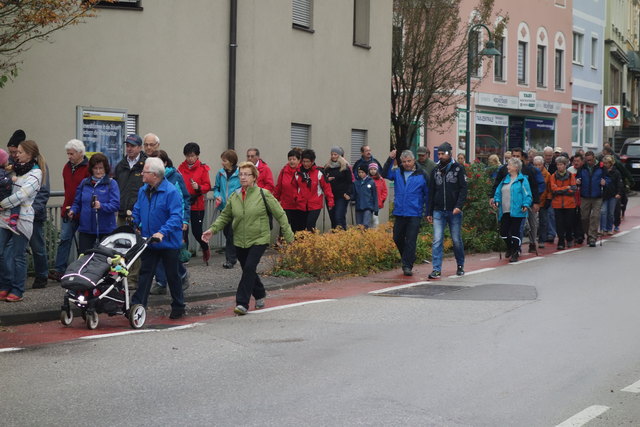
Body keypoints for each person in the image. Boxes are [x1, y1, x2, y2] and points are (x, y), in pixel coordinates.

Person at [202, 161, 294, 315]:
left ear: (254, 177)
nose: (243, 177)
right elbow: (225, 216)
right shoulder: (235, 195)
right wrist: (213, 229)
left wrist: (288, 236)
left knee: (250, 267)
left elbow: (280, 214)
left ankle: (242, 303)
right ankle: (259, 293)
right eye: (241, 175)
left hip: (259, 238)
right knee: (248, 270)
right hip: (239, 239)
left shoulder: (264, 194)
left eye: (246, 174)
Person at [131, 157, 186, 320]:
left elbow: (176, 216)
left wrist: (162, 232)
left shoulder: (171, 192)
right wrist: (133, 221)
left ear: (155, 175)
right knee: (145, 273)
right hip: (149, 241)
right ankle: (138, 304)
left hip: (168, 242)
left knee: (172, 275)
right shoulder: (143, 190)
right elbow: (138, 208)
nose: (142, 173)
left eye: (145, 171)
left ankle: (178, 305)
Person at [0, 140, 45, 302]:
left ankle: (17, 290)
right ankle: (4, 286)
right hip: (5, 217)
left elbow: (22, 195)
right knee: (2, 254)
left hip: (22, 219)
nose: (16, 155)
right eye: (16, 152)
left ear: (30, 154)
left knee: (18, 256)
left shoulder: (36, 173)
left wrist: (2, 204)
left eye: (19, 152)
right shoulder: (14, 170)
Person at [148, 150, 191, 295]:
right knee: (157, 252)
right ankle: (161, 282)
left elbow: (184, 199)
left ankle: (182, 275)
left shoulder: (175, 177)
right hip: (156, 222)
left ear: (165, 163)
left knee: (171, 254)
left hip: (172, 222)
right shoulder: (149, 181)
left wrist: (184, 219)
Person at [381, 149, 429, 276]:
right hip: (400, 212)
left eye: (409, 161)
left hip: (414, 212)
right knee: (397, 237)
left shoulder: (422, 174)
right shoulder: (397, 172)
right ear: (401, 162)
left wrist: (428, 211)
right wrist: (390, 159)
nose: (407, 164)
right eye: (404, 161)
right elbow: (384, 173)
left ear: (414, 160)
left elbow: (428, 194)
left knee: (411, 240)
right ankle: (407, 257)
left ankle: (407, 265)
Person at [50, 139, 89, 282]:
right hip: (68, 209)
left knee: (84, 241)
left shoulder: (87, 168)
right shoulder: (67, 167)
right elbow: (68, 189)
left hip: (83, 211)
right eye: (68, 154)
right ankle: (59, 269)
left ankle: (83, 269)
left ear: (80, 153)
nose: (69, 156)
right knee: (65, 238)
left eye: (71, 154)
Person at [427, 142, 467, 278]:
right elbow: (431, 191)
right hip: (438, 210)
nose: (440, 156)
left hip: (454, 210)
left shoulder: (458, 169)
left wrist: (459, 206)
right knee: (437, 240)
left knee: (456, 239)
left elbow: (463, 189)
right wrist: (429, 211)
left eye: (442, 153)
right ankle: (436, 269)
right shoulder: (435, 170)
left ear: (449, 153)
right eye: (438, 154)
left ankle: (460, 265)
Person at [69, 153, 120, 254]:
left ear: (105, 168)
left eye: (101, 168)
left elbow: (116, 205)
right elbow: (77, 202)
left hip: (106, 230)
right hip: (86, 229)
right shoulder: (84, 183)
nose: (98, 171)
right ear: (91, 169)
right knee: (84, 258)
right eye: (95, 168)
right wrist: (73, 210)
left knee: (104, 260)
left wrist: (101, 206)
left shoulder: (111, 183)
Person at [492, 157, 532, 263]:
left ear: (516, 167)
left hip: (518, 211)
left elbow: (527, 195)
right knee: (503, 232)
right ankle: (510, 247)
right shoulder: (505, 179)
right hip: (505, 210)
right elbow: (498, 192)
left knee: (515, 233)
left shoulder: (522, 180)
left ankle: (515, 252)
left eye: (509, 165)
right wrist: (496, 200)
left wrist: (526, 204)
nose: (507, 167)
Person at [178, 142, 212, 264]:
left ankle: (205, 248)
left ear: (197, 155)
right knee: (183, 231)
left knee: (197, 232)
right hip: (185, 204)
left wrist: (198, 187)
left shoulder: (203, 168)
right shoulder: (181, 168)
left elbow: (208, 186)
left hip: (197, 204)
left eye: (192, 155)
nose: (190, 158)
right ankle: (184, 256)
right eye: (187, 156)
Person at [212, 149, 240, 269]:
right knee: (226, 232)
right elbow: (216, 188)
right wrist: (217, 196)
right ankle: (236, 254)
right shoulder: (220, 173)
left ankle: (230, 260)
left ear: (232, 161)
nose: (222, 163)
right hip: (224, 208)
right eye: (222, 160)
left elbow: (243, 189)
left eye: (225, 161)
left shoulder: (240, 173)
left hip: (236, 208)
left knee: (231, 234)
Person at [294, 149, 334, 231]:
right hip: (301, 203)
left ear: (312, 161)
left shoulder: (319, 173)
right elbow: (294, 188)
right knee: (301, 228)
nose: (305, 164)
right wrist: (296, 198)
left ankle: (311, 243)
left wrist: (330, 201)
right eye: (304, 161)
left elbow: (327, 188)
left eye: (308, 161)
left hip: (315, 204)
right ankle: (301, 244)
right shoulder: (298, 173)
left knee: (310, 225)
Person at [576, 151, 608, 247]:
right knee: (584, 217)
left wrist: (605, 182)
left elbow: (607, 178)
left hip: (597, 196)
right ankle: (589, 235)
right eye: (587, 160)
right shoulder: (582, 167)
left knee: (595, 216)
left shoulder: (601, 167)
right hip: (585, 196)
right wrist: (577, 181)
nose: (588, 162)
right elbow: (578, 178)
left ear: (594, 158)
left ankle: (592, 237)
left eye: (590, 160)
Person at [114, 134, 147, 226]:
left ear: (140, 147)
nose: (129, 148)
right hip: (122, 212)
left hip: (139, 213)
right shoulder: (120, 165)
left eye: (132, 146)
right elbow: (115, 187)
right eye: (127, 146)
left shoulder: (146, 165)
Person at [549, 156, 577, 250]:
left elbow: (573, 189)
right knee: (559, 224)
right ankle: (561, 241)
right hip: (557, 204)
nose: (559, 166)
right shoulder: (553, 176)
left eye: (561, 164)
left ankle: (569, 238)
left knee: (569, 223)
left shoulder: (570, 175)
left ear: (565, 165)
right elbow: (553, 190)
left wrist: (560, 189)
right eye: (558, 165)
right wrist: (566, 188)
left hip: (569, 204)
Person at [274, 149, 303, 232]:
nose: (292, 161)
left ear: (298, 160)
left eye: (294, 159)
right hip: (286, 204)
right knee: (284, 227)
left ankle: (296, 245)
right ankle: (282, 244)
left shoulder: (302, 172)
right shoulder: (284, 171)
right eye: (290, 159)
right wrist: (274, 200)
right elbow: (279, 186)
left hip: (298, 205)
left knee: (297, 229)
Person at [323, 146, 352, 230]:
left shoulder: (345, 167)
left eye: (335, 154)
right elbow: (323, 180)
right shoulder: (327, 167)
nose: (333, 156)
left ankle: (341, 237)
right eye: (332, 154)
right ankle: (335, 237)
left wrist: (348, 193)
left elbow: (350, 182)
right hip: (330, 196)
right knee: (333, 219)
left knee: (338, 217)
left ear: (339, 155)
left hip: (342, 196)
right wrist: (327, 179)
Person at [599, 155, 622, 235]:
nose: (605, 164)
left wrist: (618, 193)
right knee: (603, 212)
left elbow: (619, 184)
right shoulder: (602, 171)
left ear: (610, 163)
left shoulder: (616, 172)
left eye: (606, 163)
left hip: (613, 195)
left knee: (611, 213)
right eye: (604, 163)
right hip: (604, 195)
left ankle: (609, 228)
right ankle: (602, 228)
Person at [532, 156, 551, 249]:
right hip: (534, 200)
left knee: (543, 221)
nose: (537, 167)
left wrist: (548, 199)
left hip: (543, 200)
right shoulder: (531, 173)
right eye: (535, 165)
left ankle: (542, 240)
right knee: (533, 221)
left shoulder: (547, 175)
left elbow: (549, 189)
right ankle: (533, 239)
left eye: (539, 165)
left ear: (542, 165)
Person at [369, 162, 387, 228]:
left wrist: (381, 199)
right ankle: (369, 234)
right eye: (371, 169)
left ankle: (375, 234)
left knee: (375, 219)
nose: (373, 171)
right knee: (369, 219)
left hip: (377, 203)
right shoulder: (367, 179)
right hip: (369, 203)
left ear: (377, 170)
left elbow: (384, 191)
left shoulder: (381, 180)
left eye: (374, 169)